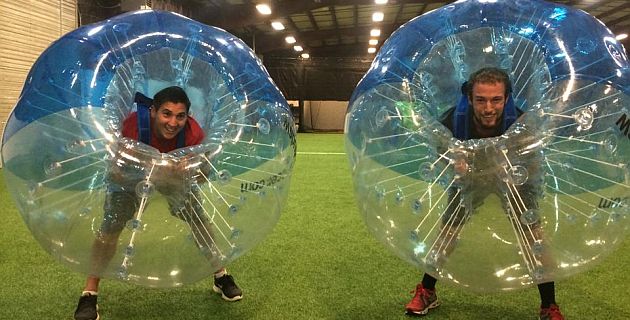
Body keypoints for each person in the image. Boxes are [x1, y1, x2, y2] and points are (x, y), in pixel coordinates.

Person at [404, 68, 564, 320]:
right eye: (481, 100)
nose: (488, 107)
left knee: (534, 237)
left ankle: (549, 305)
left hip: (511, 179)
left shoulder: (521, 124)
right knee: (447, 233)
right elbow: (439, 151)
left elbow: (533, 165)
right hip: (470, 179)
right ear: (469, 98)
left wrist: (513, 169)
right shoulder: (454, 120)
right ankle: (427, 291)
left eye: (496, 99)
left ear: (507, 98)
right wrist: (452, 161)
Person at [74, 86, 242, 320]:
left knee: (199, 221)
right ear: (153, 111)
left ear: (188, 116)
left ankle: (220, 276)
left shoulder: (193, 134)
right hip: (131, 178)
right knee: (111, 225)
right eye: (166, 114)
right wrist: (146, 171)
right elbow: (115, 173)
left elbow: (203, 176)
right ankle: (89, 292)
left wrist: (186, 171)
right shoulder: (133, 126)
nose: (173, 123)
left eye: (180, 116)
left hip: (175, 178)